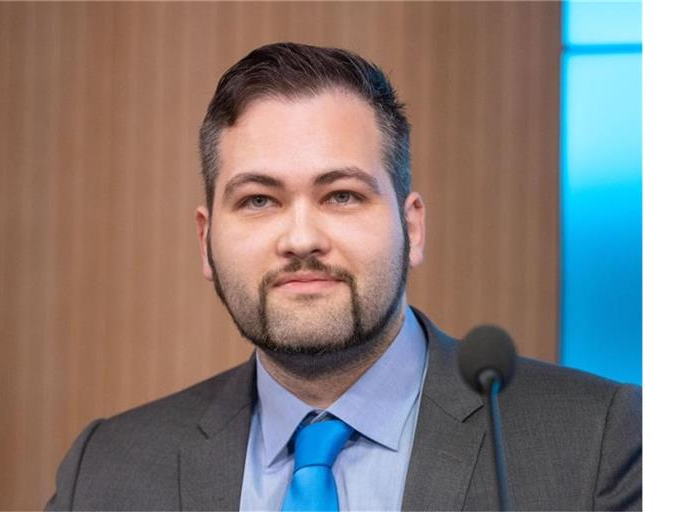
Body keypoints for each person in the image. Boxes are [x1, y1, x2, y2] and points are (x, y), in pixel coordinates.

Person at [46, 42, 641, 511]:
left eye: (341, 196)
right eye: (258, 201)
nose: (301, 238)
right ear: (206, 241)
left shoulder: (601, 444)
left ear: (413, 228)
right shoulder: (105, 470)